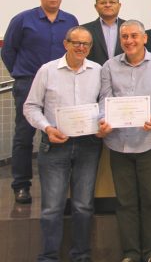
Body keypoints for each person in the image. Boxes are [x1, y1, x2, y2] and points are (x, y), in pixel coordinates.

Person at [22, 26, 109, 262]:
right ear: (65, 44)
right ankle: (49, 257)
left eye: (86, 44)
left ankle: (81, 256)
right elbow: (30, 106)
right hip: (54, 145)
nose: (81, 48)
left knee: (83, 206)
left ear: (90, 48)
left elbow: (103, 103)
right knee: (52, 208)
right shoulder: (47, 71)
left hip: (88, 146)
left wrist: (102, 122)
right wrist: (47, 128)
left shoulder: (98, 71)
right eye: (76, 43)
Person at [99, 20, 151, 262]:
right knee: (125, 201)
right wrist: (104, 119)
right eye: (125, 37)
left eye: (134, 36)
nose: (129, 41)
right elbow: (104, 101)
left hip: (149, 141)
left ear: (145, 38)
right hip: (118, 143)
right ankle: (131, 253)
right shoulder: (109, 66)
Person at [1, 0, 78, 204]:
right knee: (24, 135)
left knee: (60, 132)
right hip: (28, 83)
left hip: (60, 85)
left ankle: (59, 187)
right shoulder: (22, 19)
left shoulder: (70, 21)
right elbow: (8, 51)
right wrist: (21, 74)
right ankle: (21, 185)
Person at [82, 0, 125, 65]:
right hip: (95, 75)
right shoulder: (84, 30)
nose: (108, 5)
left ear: (119, 5)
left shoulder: (130, 28)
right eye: (103, 2)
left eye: (112, 2)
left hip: (124, 74)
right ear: (96, 6)